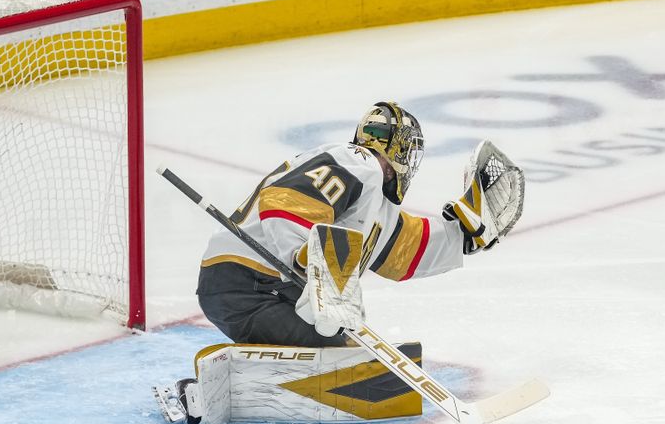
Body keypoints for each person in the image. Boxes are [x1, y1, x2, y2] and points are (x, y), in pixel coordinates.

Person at [195, 101, 514, 347]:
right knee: (334, 351)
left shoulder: (375, 204)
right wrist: (304, 259)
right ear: (400, 147)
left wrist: (464, 236)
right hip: (246, 279)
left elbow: (404, 252)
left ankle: (245, 377)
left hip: (257, 286)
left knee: (338, 341)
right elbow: (284, 199)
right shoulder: (359, 163)